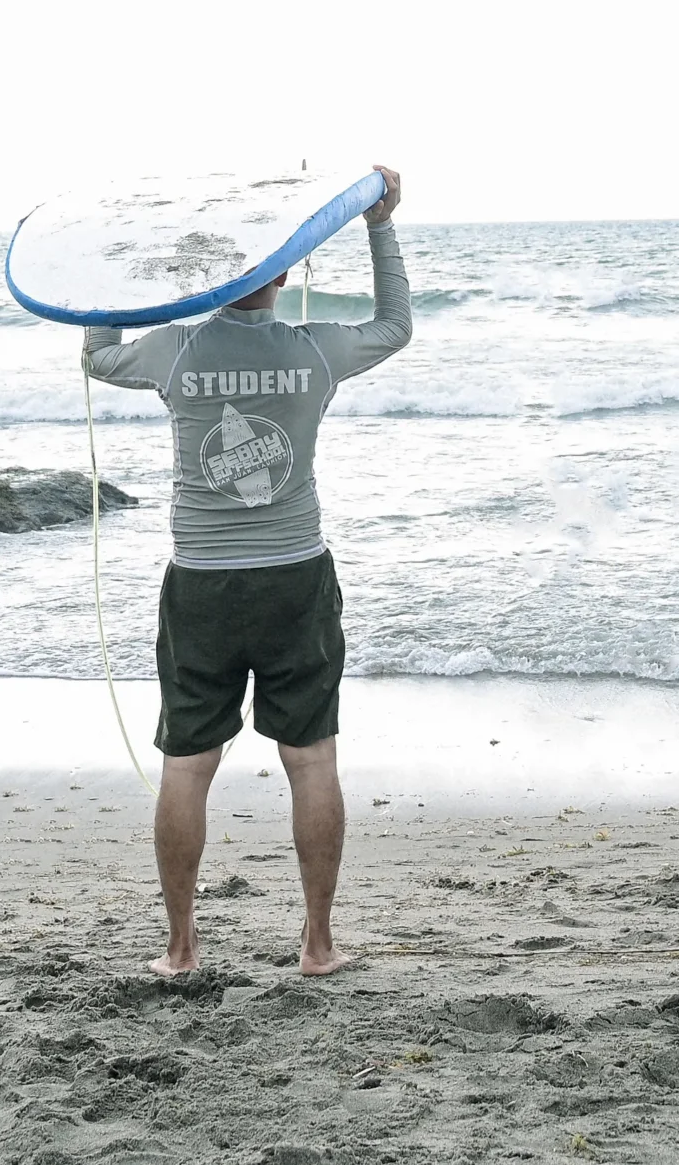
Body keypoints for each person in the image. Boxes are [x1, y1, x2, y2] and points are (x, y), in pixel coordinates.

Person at [83, 169, 409, 978]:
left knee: (188, 763)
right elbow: (395, 325)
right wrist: (380, 223)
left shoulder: (176, 348)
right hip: (296, 577)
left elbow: (98, 353)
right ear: (287, 271)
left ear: (216, 274)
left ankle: (180, 948)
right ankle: (318, 945)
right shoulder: (313, 350)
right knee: (312, 760)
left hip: (201, 582)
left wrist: (116, 262)